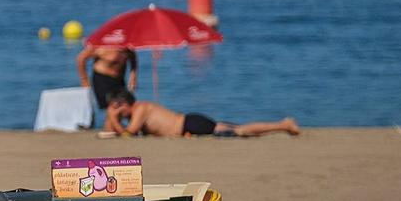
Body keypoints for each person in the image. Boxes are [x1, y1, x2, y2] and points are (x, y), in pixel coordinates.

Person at [105, 89, 300, 137]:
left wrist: (113, 119)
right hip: (189, 125)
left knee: (240, 131)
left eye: (116, 107)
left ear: (124, 104)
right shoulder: (139, 110)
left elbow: (128, 135)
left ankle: (284, 125)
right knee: (237, 129)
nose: (115, 111)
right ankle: (283, 125)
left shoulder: (141, 108)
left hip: (191, 124)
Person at [77, 45, 138, 110]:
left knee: (126, 106)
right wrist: (84, 80)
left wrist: (133, 75)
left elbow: (132, 57)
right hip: (103, 81)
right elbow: (81, 58)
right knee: (113, 109)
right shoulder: (101, 47)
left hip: (119, 80)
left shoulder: (126, 45)